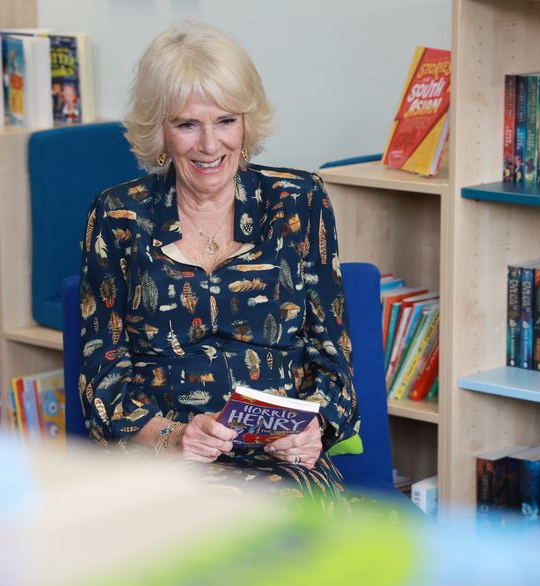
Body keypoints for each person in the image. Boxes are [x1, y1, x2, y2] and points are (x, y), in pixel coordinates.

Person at [77, 22, 360, 503]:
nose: (210, 145)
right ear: (159, 131)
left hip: (281, 466)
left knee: (271, 521)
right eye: (188, 124)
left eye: (226, 121)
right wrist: (171, 439)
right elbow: (100, 382)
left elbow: (335, 368)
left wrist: (314, 430)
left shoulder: (299, 202)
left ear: (247, 124)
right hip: (162, 461)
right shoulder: (118, 216)